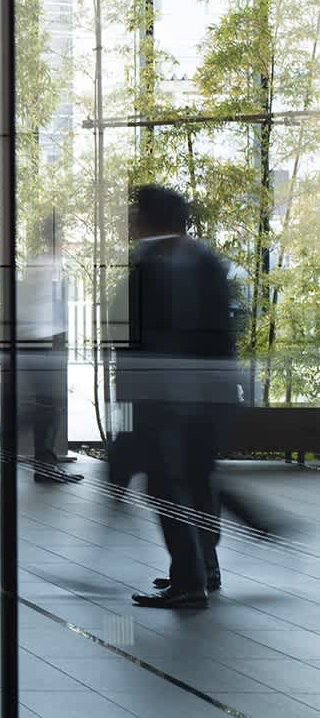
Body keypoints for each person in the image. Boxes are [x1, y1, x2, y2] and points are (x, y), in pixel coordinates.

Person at [117, 185, 236, 610]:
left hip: (166, 399)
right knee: (199, 482)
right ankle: (204, 567)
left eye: (136, 213)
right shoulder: (206, 260)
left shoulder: (153, 264)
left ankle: (189, 582)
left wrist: (131, 402)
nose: (131, 221)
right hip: (207, 397)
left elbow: (140, 341)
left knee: (166, 486)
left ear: (150, 219)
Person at [18, 215, 82, 484]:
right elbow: (38, 308)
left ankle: (44, 465)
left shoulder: (43, 263)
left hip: (39, 342)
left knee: (47, 406)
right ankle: (43, 466)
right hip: (40, 343)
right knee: (48, 406)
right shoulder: (46, 264)